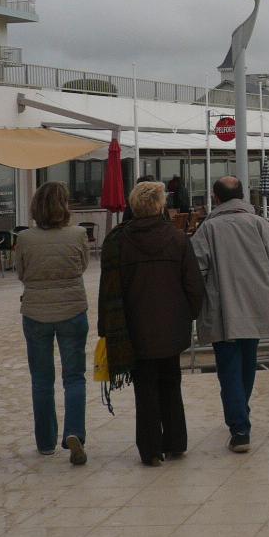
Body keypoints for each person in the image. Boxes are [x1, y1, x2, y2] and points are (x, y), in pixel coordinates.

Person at [100, 181, 204, 467]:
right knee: (171, 382)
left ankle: (151, 450)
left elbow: (107, 290)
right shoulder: (178, 239)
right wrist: (188, 315)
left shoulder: (117, 241)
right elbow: (194, 286)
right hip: (171, 326)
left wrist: (107, 328)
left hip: (133, 328)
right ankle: (175, 441)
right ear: (160, 206)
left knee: (144, 387)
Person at [190, 176, 269, 453]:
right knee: (247, 363)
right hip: (255, 306)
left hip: (223, 310)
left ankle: (240, 426)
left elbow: (197, 269)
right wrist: (268, 288)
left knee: (228, 368)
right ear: (242, 196)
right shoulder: (259, 224)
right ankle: (240, 414)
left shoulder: (207, 229)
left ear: (216, 198)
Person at [14, 180, 92, 465]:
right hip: (72, 309)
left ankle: (45, 441)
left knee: (42, 379)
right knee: (74, 376)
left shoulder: (24, 238)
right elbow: (82, 266)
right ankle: (75, 432)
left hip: (35, 312)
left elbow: (21, 272)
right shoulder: (79, 234)